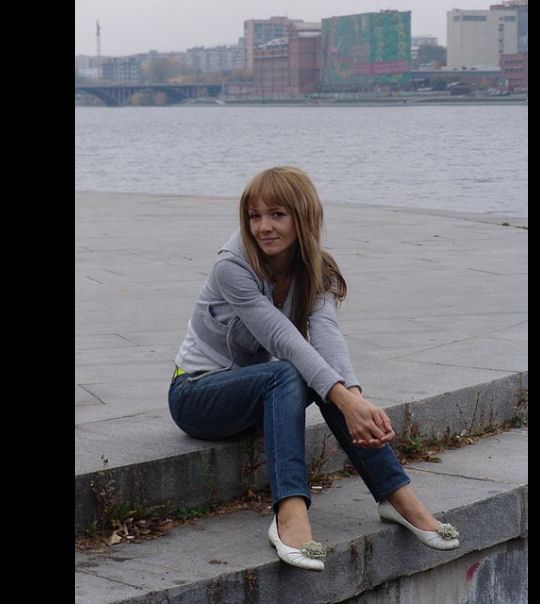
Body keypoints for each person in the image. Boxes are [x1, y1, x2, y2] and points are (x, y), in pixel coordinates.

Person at [168, 166, 459, 571]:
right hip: (196, 395)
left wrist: (354, 399)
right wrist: (347, 402)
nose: (263, 227)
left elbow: (326, 337)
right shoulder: (232, 267)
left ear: (302, 216)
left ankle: (396, 495)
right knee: (290, 370)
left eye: (277, 214)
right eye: (254, 216)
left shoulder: (316, 269)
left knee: (319, 375)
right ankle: (289, 512)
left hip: (254, 397)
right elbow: (283, 339)